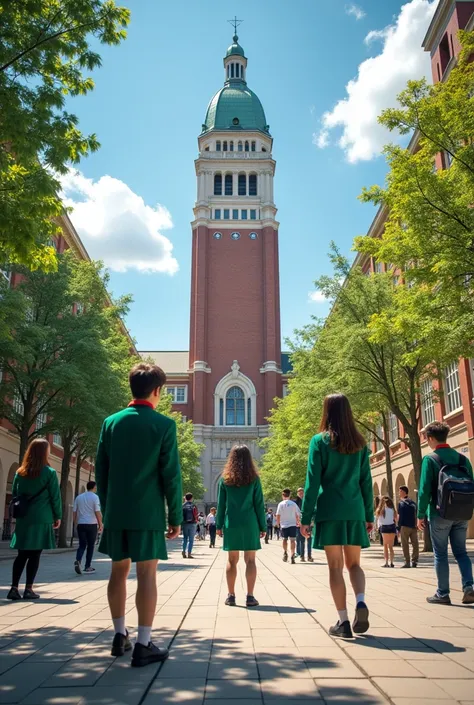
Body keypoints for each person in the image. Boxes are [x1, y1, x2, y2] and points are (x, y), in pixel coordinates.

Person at [96, 363, 183, 668]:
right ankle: (144, 644)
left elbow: (101, 472)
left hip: (117, 511)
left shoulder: (111, 423)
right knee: (147, 574)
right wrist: (175, 517)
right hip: (147, 513)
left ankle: (119, 635)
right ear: (157, 391)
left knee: (117, 572)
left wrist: (107, 509)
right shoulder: (163, 425)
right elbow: (171, 475)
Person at [300, 393, 373, 640]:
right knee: (355, 564)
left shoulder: (319, 442)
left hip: (329, 510)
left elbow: (312, 483)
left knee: (335, 567)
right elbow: (366, 481)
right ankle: (360, 602)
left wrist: (305, 517)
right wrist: (369, 514)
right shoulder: (361, 443)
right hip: (354, 510)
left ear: (326, 412)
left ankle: (343, 622)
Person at [417, 421, 474, 605]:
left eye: (426, 438)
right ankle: (468, 587)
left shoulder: (430, 459)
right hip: (462, 512)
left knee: (440, 554)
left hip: (439, 513)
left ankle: (443, 593)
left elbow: (425, 489)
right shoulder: (462, 459)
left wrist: (420, 515)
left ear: (431, 438)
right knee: (461, 552)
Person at [7, 438, 62, 601]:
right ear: (44, 453)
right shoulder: (50, 473)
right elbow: (55, 497)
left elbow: (15, 493)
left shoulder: (20, 472)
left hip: (24, 518)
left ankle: (13, 588)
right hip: (42, 517)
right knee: (35, 555)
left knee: (21, 554)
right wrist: (57, 515)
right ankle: (28, 589)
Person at [216, 444, 267, 607]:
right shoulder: (254, 479)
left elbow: (221, 505)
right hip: (250, 522)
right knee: (250, 560)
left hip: (232, 522)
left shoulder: (225, 480)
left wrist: (218, 525)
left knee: (232, 560)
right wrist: (263, 526)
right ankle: (250, 597)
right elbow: (259, 504)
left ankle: (231, 596)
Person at [73, 481, 103, 575]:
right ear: (94, 487)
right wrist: (100, 524)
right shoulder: (95, 497)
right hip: (92, 524)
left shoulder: (79, 497)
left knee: (82, 544)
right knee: (90, 546)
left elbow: (74, 512)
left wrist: (75, 523)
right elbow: (97, 512)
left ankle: (78, 560)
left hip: (81, 524)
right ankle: (87, 566)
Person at [276, 489, 301, 565]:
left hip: (284, 525)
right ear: (289, 495)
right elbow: (298, 514)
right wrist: (298, 521)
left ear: (282, 495)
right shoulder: (293, 504)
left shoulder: (280, 504)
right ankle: (292, 555)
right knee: (293, 540)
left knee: (284, 539)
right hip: (292, 524)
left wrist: (278, 523)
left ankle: (285, 552)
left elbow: (278, 515)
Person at [397, 485, 419, 569]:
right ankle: (415, 561)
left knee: (405, 544)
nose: (399, 493)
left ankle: (407, 562)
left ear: (403, 492)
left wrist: (398, 527)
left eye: (400, 491)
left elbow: (400, 516)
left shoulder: (401, 503)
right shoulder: (413, 503)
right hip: (413, 526)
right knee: (415, 544)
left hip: (404, 526)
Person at [376, 496, 397, 568]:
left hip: (384, 527)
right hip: (392, 527)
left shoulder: (380, 510)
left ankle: (386, 562)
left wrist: (382, 502)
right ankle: (392, 562)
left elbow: (378, 516)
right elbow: (395, 519)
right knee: (391, 546)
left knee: (385, 546)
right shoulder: (393, 510)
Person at [182, 493, 198, 558]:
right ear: (191, 498)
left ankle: (183, 551)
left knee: (185, 538)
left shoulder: (183, 505)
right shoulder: (194, 505)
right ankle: (189, 553)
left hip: (185, 523)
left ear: (185, 498)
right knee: (191, 539)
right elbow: (196, 514)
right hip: (192, 524)